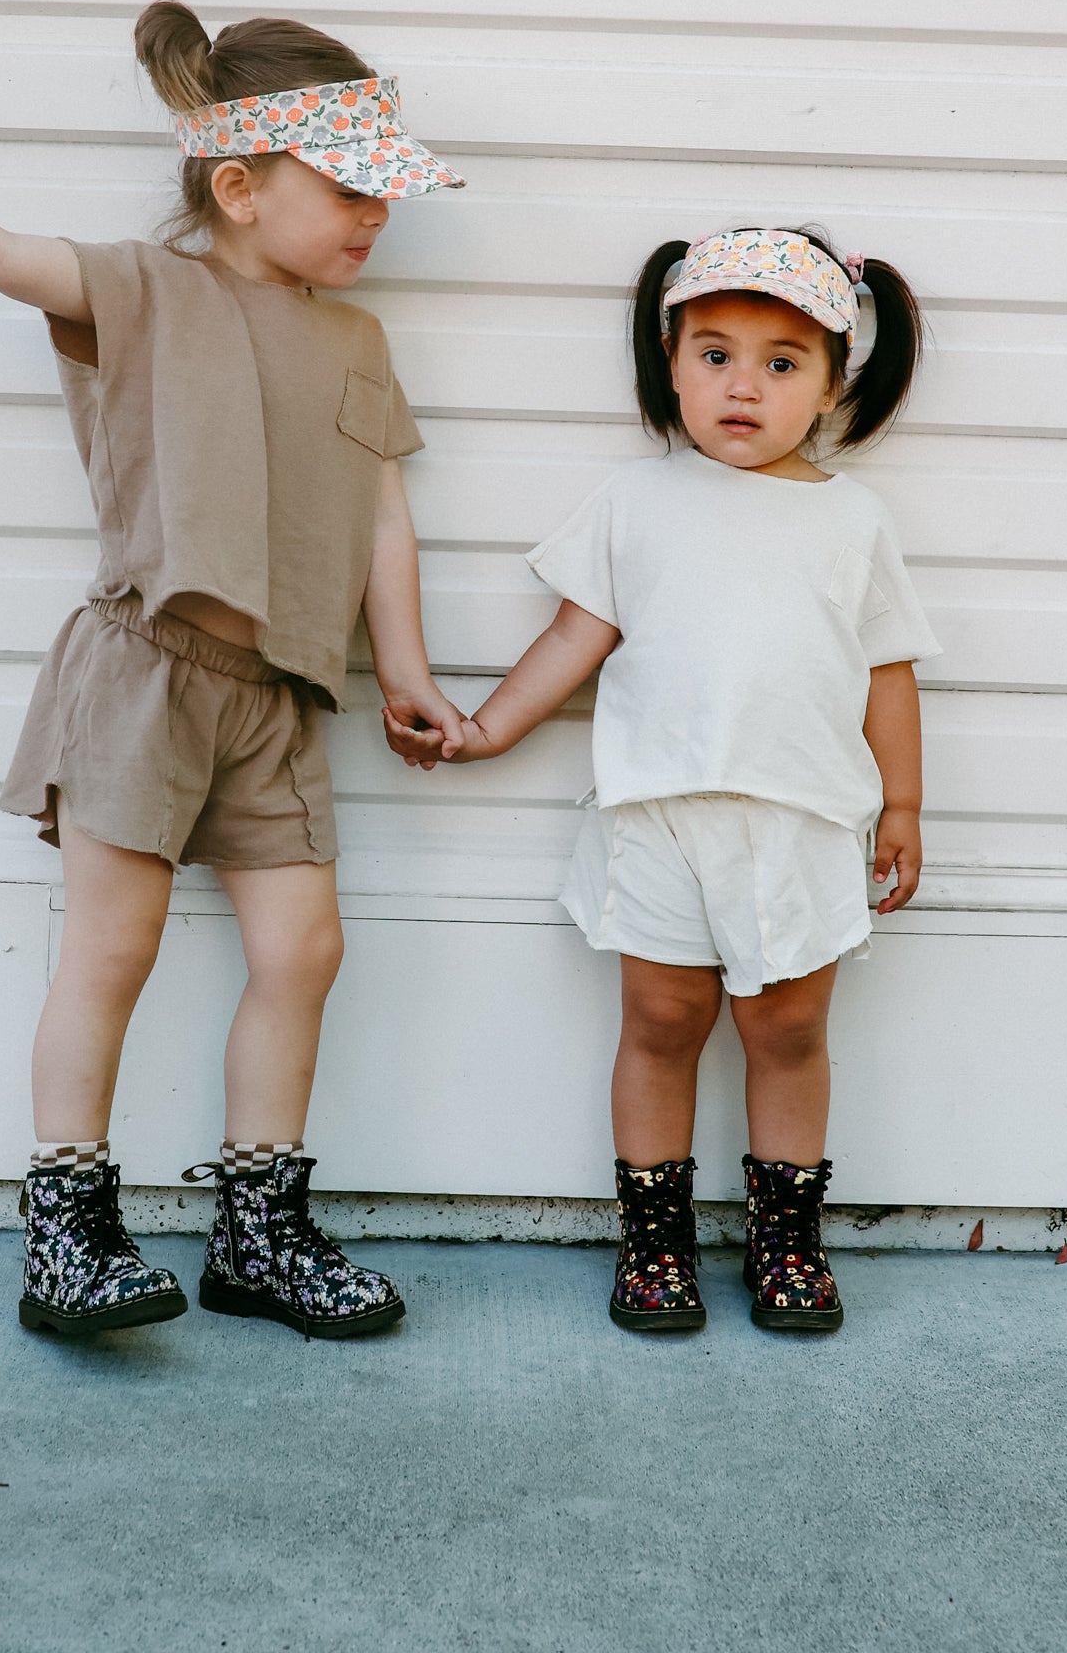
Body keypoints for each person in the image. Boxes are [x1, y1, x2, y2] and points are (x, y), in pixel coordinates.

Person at [0, 11, 466, 1341]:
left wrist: (406, 671)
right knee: (111, 949)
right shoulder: (145, 290)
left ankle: (260, 1232)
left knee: (305, 950)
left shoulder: (355, 344)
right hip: (147, 670)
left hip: (284, 695)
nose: (375, 219)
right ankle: (69, 1231)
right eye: (349, 189)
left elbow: (378, 521)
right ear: (239, 187)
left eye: (385, 194)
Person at [385, 228, 938, 1334]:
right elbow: (573, 636)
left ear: (834, 383)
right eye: (715, 354)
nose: (744, 384)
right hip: (659, 815)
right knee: (661, 1018)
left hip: (802, 819)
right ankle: (656, 1239)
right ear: (670, 362)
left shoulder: (851, 519)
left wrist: (905, 803)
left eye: (783, 363)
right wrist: (488, 726)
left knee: (787, 1029)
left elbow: (887, 672)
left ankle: (786, 1238)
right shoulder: (636, 504)